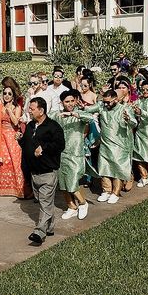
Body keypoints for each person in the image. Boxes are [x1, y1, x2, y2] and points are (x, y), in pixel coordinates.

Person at [18, 98, 65, 244]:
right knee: (42, 201)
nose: (29, 111)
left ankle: (39, 232)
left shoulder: (53, 127)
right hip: (34, 173)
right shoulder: (31, 125)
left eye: (32, 109)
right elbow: (27, 144)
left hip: (48, 172)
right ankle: (50, 227)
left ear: (41, 110)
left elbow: (60, 145)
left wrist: (44, 148)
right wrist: (20, 139)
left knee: (45, 201)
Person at [85, 90, 138, 205]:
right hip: (104, 143)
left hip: (120, 144)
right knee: (104, 167)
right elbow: (88, 110)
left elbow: (134, 123)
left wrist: (128, 119)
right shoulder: (102, 107)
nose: (106, 104)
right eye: (104, 102)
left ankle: (115, 193)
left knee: (117, 169)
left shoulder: (124, 109)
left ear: (116, 100)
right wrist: (92, 105)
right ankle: (106, 191)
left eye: (108, 102)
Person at [49, 90, 93, 220]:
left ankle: (83, 203)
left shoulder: (79, 114)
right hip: (61, 154)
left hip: (76, 154)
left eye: (72, 101)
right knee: (62, 184)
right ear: (61, 102)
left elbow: (91, 118)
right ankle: (71, 206)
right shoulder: (57, 115)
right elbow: (44, 117)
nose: (70, 104)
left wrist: (75, 114)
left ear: (75, 101)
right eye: (67, 101)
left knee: (72, 182)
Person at [0, 85, 28, 198]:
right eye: (5, 93)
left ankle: (18, 189)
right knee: (2, 161)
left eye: (9, 94)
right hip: (2, 137)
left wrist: (9, 111)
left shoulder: (17, 107)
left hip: (12, 137)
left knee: (14, 161)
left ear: (13, 96)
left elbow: (16, 123)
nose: (7, 96)